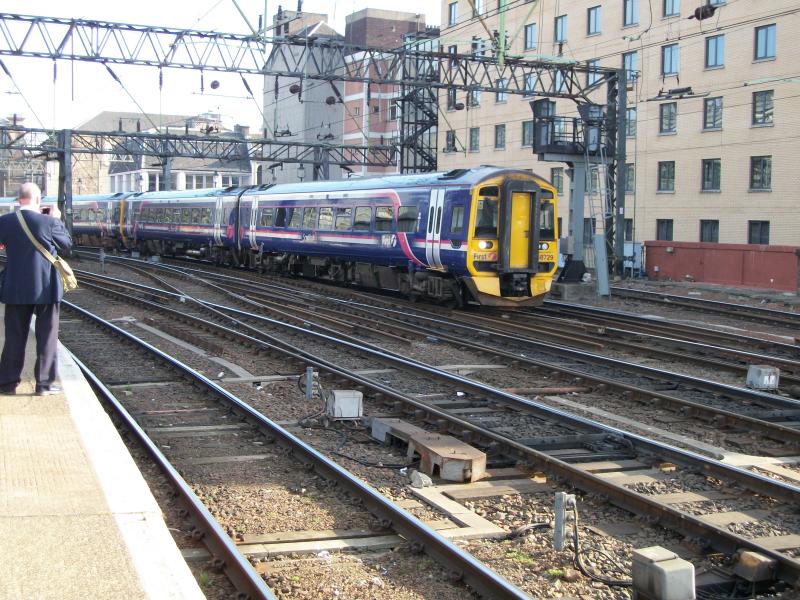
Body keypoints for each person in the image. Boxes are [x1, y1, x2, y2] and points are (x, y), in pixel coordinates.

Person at [0, 182, 72, 395]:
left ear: (17, 200)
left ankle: (7, 383)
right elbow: (66, 245)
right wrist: (57, 219)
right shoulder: (49, 222)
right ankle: (43, 385)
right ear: (39, 200)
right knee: (47, 336)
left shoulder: (4, 222)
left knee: (14, 337)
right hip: (46, 288)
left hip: (15, 288)